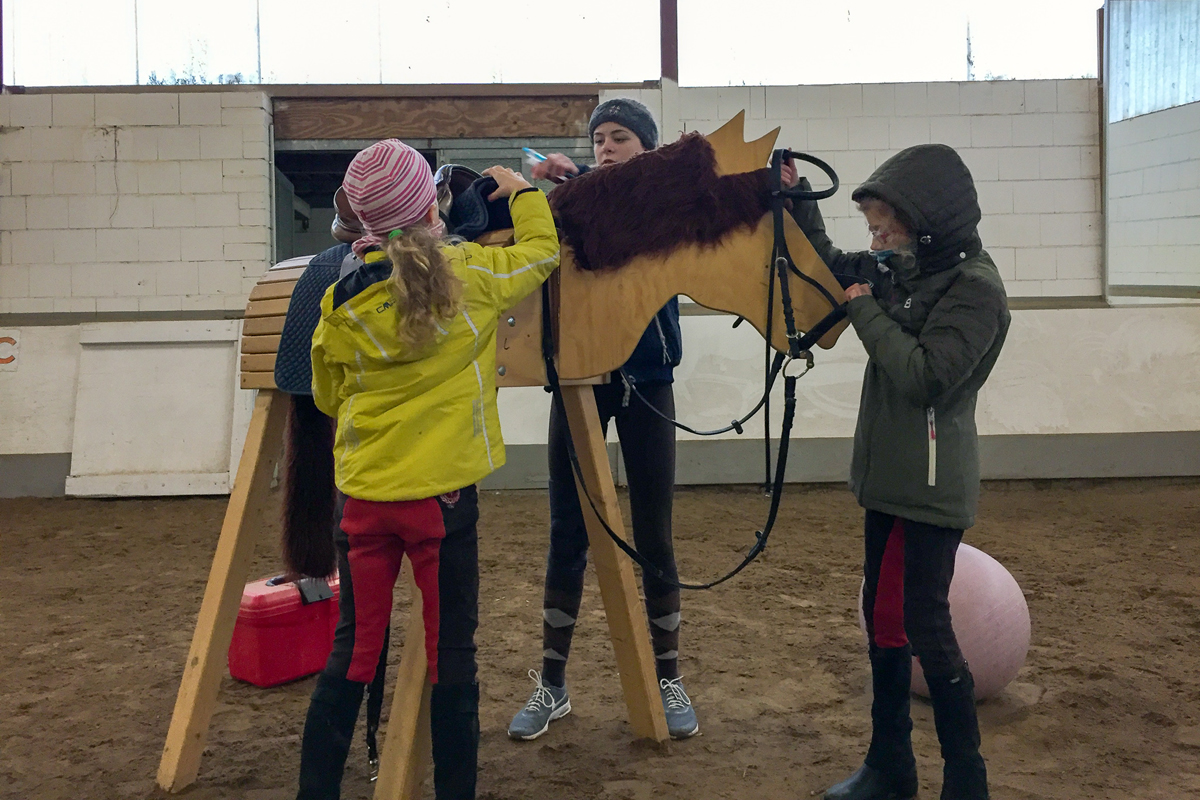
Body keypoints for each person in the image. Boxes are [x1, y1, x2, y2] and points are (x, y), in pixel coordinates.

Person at [297, 138, 560, 800]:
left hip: (361, 503)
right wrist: (521, 191)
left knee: (353, 655)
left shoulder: (339, 302)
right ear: (432, 205)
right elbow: (541, 253)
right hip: (440, 505)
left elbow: (328, 397)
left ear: (362, 221)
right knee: (452, 659)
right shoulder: (468, 274)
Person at [785, 143, 1009, 800]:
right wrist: (800, 202)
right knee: (884, 619)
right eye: (873, 226)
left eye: (887, 225)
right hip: (888, 480)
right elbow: (834, 270)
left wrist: (862, 308)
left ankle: (967, 782)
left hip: (931, 490)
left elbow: (925, 377)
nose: (877, 239)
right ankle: (890, 766)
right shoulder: (901, 267)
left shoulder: (976, 291)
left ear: (928, 221)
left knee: (926, 627)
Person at [506, 98, 700, 742]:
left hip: (647, 381)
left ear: (646, 147)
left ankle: (667, 676)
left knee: (655, 533)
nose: (607, 147)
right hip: (580, 383)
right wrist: (545, 186)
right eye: (600, 139)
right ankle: (552, 683)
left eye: (621, 138)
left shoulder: (664, 207)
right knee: (568, 530)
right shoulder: (573, 200)